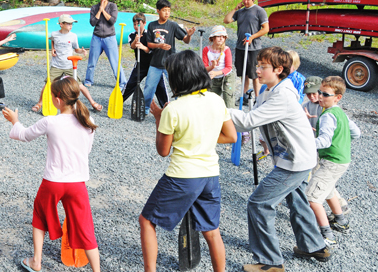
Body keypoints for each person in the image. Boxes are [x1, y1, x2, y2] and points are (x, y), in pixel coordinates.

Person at [229, 47, 330, 272]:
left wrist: (215, 109)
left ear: (278, 69)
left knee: (259, 203)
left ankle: (270, 262)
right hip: (296, 157)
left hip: (296, 161)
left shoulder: (282, 95)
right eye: (258, 66)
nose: (258, 70)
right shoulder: (269, 90)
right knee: (297, 200)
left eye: (262, 67)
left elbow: (247, 121)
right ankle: (314, 246)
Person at [140, 50, 237, 272]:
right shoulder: (215, 99)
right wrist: (203, 140)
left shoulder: (173, 109)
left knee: (147, 220)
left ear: (177, 78)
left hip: (182, 176)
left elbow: (163, 151)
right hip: (210, 175)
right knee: (212, 231)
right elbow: (231, 136)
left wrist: (158, 119)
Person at [2, 77, 101, 272]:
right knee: (85, 226)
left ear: (57, 100)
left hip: (53, 181)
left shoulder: (50, 121)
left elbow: (24, 135)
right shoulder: (89, 120)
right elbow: (86, 151)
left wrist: (15, 121)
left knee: (40, 215)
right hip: (77, 183)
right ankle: (97, 271)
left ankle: (36, 262)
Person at [306, 76, 360, 247]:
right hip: (342, 160)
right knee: (328, 189)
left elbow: (325, 141)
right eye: (320, 92)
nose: (320, 96)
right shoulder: (340, 113)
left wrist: (304, 141)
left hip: (332, 161)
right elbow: (356, 133)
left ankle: (327, 235)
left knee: (312, 197)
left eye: (325, 94)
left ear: (337, 97)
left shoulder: (328, 116)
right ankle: (340, 221)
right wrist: (341, 140)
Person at [31, 14, 103, 113]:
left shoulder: (73, 36)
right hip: (56, 65)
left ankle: (92, 102)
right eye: (68, 23)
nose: (71, 25)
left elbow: (76, 49)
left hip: (69, 65)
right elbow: (52, 40)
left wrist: (81, 51)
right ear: (61, 24)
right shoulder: (55, 34)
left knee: (79, 85)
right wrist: (52, 49)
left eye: (72, 24)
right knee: (48, 84)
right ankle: (40, 103)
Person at [142, 0, 195, 115]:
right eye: (164, 10)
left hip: (170, 63)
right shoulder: (152, 25)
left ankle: (178, 111)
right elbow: (149, 44)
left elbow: (185, 40)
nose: (166, 13)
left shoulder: (173, 25)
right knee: (149, 88)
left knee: (176, 87)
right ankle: (145, 109)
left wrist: (189, 36)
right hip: (155, 63)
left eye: (168, 11)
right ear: (158, 11)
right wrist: (159, 45)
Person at [223, 0, 269, 102]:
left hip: (254, 48)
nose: (245, 2)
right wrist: (235, 8)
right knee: (244, 74)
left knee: (255, 74)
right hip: (240, 47)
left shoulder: (259, 11)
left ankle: (257, 98)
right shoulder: (240, 12)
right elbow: (227, 20)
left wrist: (252, 37)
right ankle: (244, 96)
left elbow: (266, 29)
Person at [84, 0, 126, 89]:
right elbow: (92, 23)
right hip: (97, 37)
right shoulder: (94, 8)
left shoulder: (113, 6)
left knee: (115, 62)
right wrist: (99, 10)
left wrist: (103, 11)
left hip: (109, 37)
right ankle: (88, 80)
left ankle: (122, 82)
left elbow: (112, 21)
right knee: (91, 61)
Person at [122, 13, 168, 106]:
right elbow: (132, 46)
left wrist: (143, 47)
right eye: (134, 24)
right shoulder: (132, 35)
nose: (136, 26)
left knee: (160, 87)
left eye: (138, 24)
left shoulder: (150, 35)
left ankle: (165, 106)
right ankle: (118, 101)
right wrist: (136, 40)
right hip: (140, 65)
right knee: (130, 84)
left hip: (153, 66)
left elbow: (151, 50)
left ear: (144, 23)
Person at [202, 25, 236, 109]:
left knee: (228, 98)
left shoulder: (226, 50)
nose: (221, 38)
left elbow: (229, 67)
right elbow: (204, 68)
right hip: (212, 77)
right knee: (211, 100)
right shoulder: (206, 50)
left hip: (226, 76)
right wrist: (212, 66)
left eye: (223, 37)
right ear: (212, 38)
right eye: (218, 36)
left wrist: (216, 72)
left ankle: (231, 117)